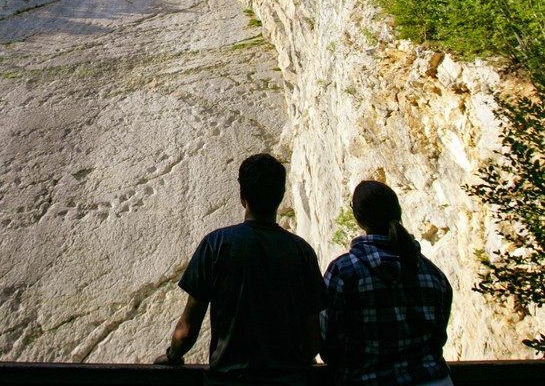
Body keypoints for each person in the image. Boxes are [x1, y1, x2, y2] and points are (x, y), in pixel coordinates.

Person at [154, 153, 327, 386]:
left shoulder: (215, 245)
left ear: (242, 196)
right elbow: (312, 338)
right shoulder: (302, 252)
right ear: (281, 195)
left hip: (228, 381)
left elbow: (186, 331)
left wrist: (172, 355)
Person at [320, 180, 453, 386]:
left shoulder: (344, 272)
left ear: (358, 218)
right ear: (397, 212)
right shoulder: (433, 274)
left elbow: (329, 342)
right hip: (433, 379)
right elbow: (438, 338)